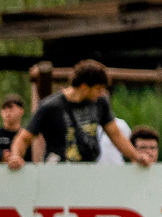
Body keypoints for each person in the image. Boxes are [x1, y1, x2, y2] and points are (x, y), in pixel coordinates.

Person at [5, 61, 148, 168]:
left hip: (88, 170)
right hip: (58, 170)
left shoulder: (100, 103)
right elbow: (23, 138)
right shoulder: (50, 106)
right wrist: (16, 157)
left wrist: (136, 157)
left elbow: (115, 135)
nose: (101, 93)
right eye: (98, 89)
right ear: (84, 87)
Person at [0, 94, 31, 163]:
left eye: (10, 107)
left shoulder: (27, 135)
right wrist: (2, 155)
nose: (7, 111)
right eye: (4, 108)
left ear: (21, 110)